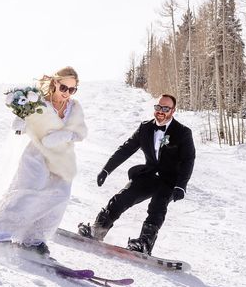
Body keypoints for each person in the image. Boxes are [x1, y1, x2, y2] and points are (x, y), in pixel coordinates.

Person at [0, 66, 87, 257]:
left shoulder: (74, 108)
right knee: (29, 191)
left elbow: (81, 132)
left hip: (62, 159)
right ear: (54, 84)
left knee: (61, 195)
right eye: (64, 88)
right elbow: (20, 127)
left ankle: (34, 239)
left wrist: (64, 135)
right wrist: (21, 120)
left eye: (72, 89)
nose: (67, 93)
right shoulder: (38, 103)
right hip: (37, 154)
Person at [78, 94, 195, 256]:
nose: (161, 111)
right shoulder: (145, 128)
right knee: (122, 197)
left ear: (173, 111)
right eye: (158, 107)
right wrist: (106, 169)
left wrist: (181, 185)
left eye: (166, 108)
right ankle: (98, 230)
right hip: (149, 175)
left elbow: (189, 160)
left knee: (157, 206)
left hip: (170, 180)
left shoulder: (183, 132)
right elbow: (126, 149)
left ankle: (144, 243)